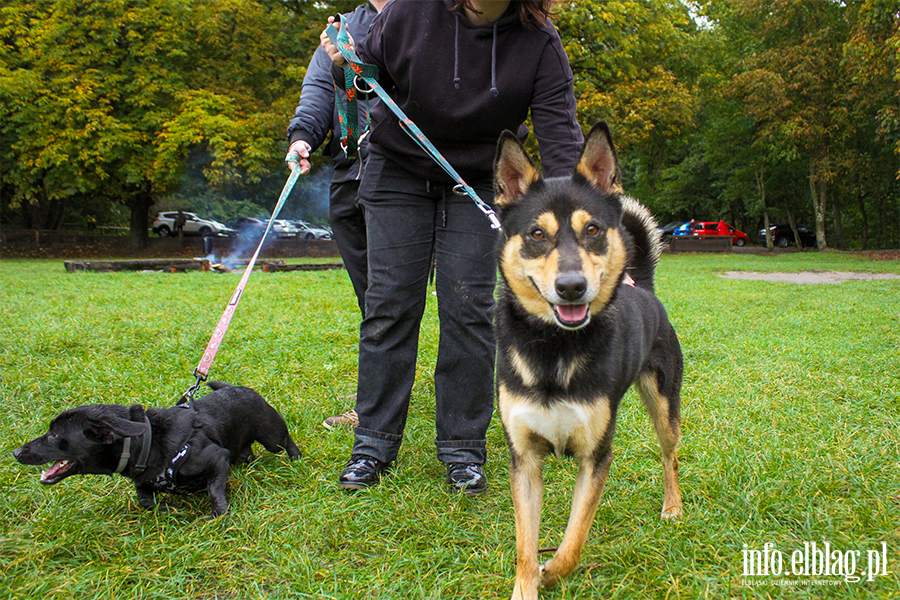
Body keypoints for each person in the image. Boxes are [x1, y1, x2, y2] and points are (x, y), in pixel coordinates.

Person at [322, 0, 584, 495]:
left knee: (468, 308)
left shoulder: (540, 42)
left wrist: (574, 221)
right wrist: (344, 66)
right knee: (389, 306)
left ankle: (463, 450)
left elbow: (561, 140)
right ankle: (373, 444)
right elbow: (361, 76)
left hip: (480, 181)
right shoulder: (407, 12)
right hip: (397, 167)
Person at [286, 0, 389, 431]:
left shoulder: (431, 18)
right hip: (348, 176)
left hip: (403, 178)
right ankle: (376, 392)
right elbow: (317, 93)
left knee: (395, 301)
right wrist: (302, 137)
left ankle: (379, 404)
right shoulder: (340, 28)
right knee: (371, 300)